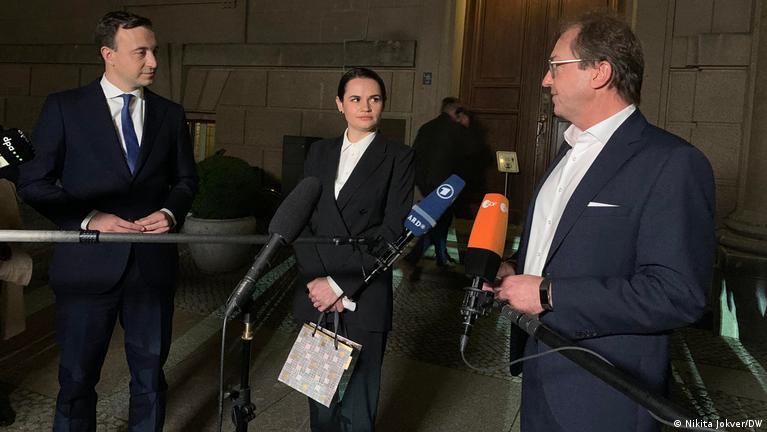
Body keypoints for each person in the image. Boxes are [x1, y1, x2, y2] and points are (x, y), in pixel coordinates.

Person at [485, 12, 715, 432]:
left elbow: (677, 294)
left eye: (556, 66)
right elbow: (562, 247)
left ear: (600, 72)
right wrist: (513, 270)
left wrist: (549, 293)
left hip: (607, 391)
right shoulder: (567, 152)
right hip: (540, 370)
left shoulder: (672, 163)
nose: (545, 80)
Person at [17, 11, 196, 431]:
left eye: (154, 51)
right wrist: (90, 217)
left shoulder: (170, 114)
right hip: (86, 267)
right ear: (108, 54)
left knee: (150, 379)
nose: (153, 61)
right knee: (77, 380)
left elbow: (187, 180)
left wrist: (170, 212)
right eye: (141, 52)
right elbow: (33, 182)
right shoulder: (65, 108)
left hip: (151, 268)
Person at [292, 67, 414, 431]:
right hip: (316, 294)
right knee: (320, 403)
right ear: (339, 104)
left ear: (383, 104)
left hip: (364, 290)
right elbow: (299, 217)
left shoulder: (399, 156)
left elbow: (393, 230)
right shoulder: (319, 152)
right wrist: (318, 282)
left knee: (358, 408)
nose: (365, 107)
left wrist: (339, 285)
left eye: (374, 99)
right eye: (356, 99)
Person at [403, 97, 468, 271]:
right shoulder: (456, 130)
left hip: (427, 183)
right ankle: (425, 256)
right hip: (447, 185)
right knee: (440, 220)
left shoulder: (426, 127)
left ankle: (437, 255)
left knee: (438, 219)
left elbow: (415, 155)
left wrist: (420, 181)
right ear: (455, 111)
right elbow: (463, 160)